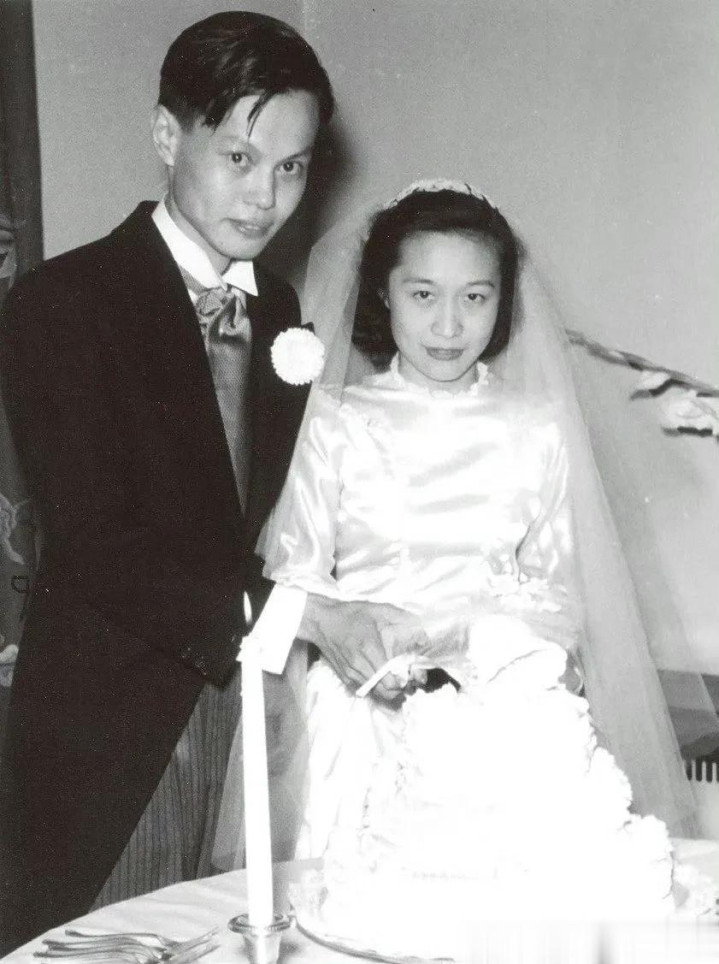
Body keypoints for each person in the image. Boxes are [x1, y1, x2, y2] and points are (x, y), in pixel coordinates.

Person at [213, 179, 719, 869]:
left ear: (503, 299)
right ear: (384, 292)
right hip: (364, 723)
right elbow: (297, 574)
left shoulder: (538, 427)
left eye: (475, 298)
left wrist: (467, 645)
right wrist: (362, 652)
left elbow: (563, 598)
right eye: (423, 295)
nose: (449, 327)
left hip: (500, 721)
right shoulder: (336, 420)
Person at [0, 11, 353, 950]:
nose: (266, 197)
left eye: (292, 167)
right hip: (114, 731)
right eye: (240, 158)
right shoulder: (62, 303)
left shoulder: (279, 310)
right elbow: (99, 544)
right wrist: (306, 616)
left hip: (254, 717)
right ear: (167, 136)